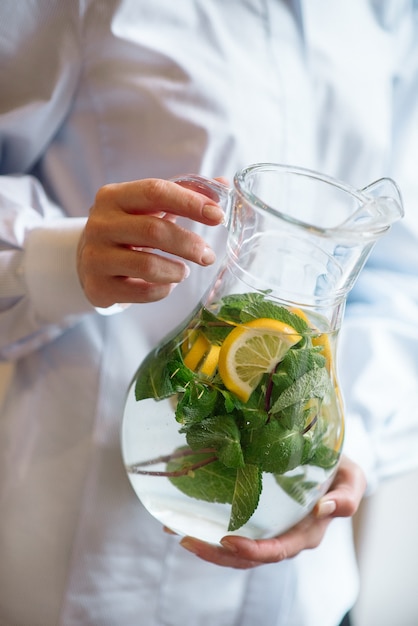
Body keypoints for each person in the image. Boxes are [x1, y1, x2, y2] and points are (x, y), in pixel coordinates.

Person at [0, 2, 417, 625]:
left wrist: (346, 451)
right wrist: (65, 255)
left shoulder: (390, 14)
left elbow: (398, 272)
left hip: (303, 595)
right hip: (84, 575)